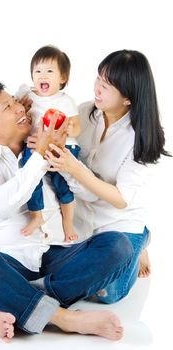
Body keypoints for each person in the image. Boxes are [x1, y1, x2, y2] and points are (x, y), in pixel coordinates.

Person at [0, 81, 134, 342]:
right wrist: (39, 157)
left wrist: (63, 159)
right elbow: (0, 207)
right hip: (12, 263)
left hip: (57, 256)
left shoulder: (44, 141)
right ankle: (64, 319)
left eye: (15, 100)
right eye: (8, 106)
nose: (19, 108)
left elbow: (90, 195)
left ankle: (17, 301)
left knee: (119, 246)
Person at [44, 49, 171, 302]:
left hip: (119, 221)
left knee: (107, 293)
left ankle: (140, 238)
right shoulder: (83, 113)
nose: (97, 89)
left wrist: (75, 168)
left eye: (107, 86)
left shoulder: (143, 136)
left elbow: (122, 199)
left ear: (128, 99)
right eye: (98, 79)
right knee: (49, 264)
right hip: (81, 219)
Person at [16, 45, 81, 242]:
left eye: (49, 71)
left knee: (62, 184)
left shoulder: (65, 100)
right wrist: (21, 103)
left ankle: (68, 223)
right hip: (36, 146)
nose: (42, 76)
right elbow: (13, 107)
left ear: (62, 78)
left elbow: (77, 126)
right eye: (37, 71)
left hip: (63, 146)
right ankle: (37, 216)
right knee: (29, 174)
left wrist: (71, 130)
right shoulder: (27, 94)